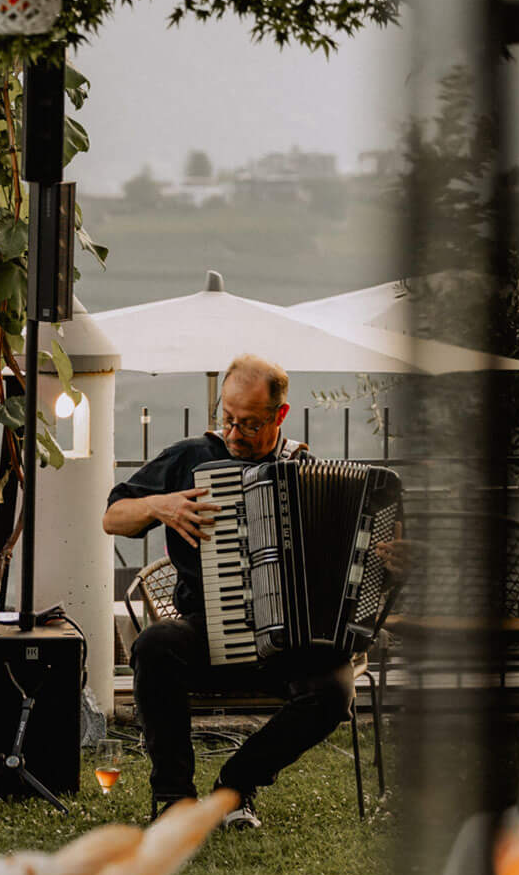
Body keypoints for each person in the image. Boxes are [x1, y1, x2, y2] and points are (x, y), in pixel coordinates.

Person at [103, 353, 348, 830]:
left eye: (250, 424)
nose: (234, 435)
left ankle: (236, 788)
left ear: (280, 414)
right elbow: (113, 517)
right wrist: (160, 505)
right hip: (209, 630)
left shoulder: (303, 467)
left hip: (290, 638)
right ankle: (174, 799)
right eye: (228, 419)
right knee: (155, 646)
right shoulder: (192, 457)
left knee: (335, 690)